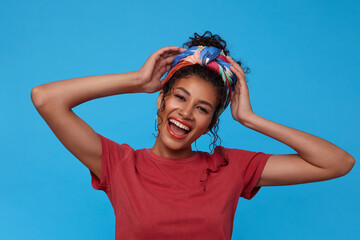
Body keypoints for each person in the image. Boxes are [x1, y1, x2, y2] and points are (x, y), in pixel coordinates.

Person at [31, 31, 355, 240]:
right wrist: (137, 81)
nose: (185, 113)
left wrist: (250, 118)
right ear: (161, 98)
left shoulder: (231, 168)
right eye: (180, 97)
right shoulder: (119, 164)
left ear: (212, 122)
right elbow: (45, 98)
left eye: (202, 109)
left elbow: (337, 163)